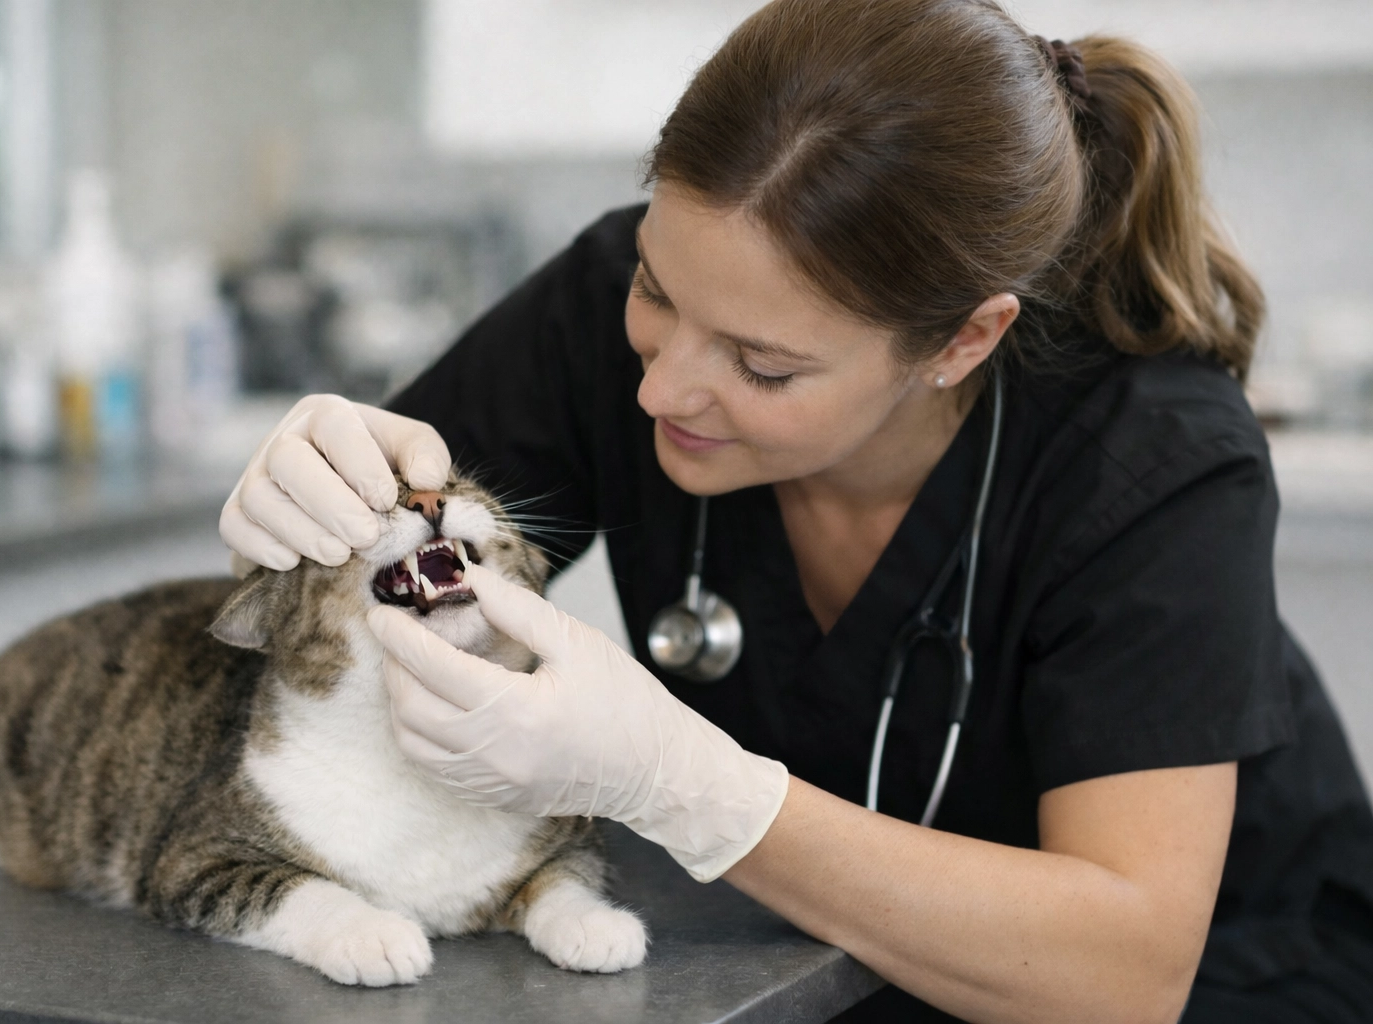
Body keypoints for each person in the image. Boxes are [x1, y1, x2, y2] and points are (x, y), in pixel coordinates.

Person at [219, 1, 1373, 1020]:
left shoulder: (1151, 453)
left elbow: (1122, 972)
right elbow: (334, 622)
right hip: (810, 967)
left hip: (1230, 973)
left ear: (964, 340)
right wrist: (311, 516)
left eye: (763, 367)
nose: (663, 386)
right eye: (656, 291)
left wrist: (684, 784)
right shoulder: (601, 316)